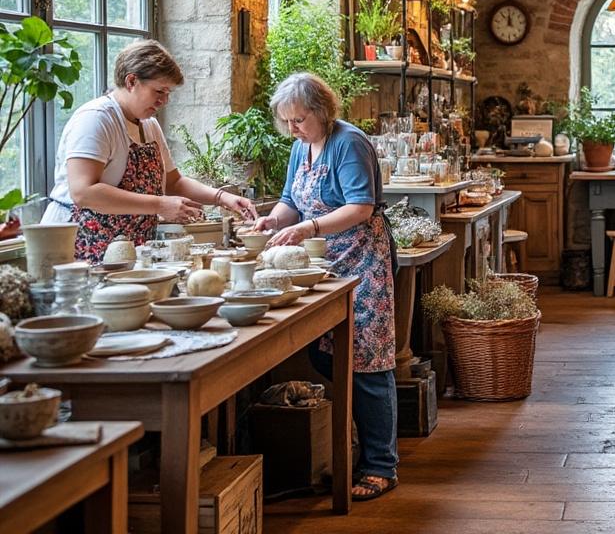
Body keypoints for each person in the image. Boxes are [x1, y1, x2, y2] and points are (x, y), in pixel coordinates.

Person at [253, 72, 398, 501]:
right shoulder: (302, 147)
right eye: (287, 122)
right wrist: (274, 220)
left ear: (321, 111)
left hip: (362, 259)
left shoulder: (348, 143)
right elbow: (290, 200)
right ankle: (354, 443)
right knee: (325, 353)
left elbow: (360, 206)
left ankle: (380, 465)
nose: (292, 129)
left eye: (298, 120)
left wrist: (306, 228)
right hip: (322, 262)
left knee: (368, 362)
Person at [43, 40, 257, 261]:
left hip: (127, 248)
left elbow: (173, 183)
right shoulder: (96, 119)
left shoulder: (149, 125)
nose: (165, 100)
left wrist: (222, 197)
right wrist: (159, 204)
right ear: (131, 81)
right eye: (159, 91)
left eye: (168, 92)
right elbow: (83, 192)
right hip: (80, 243)